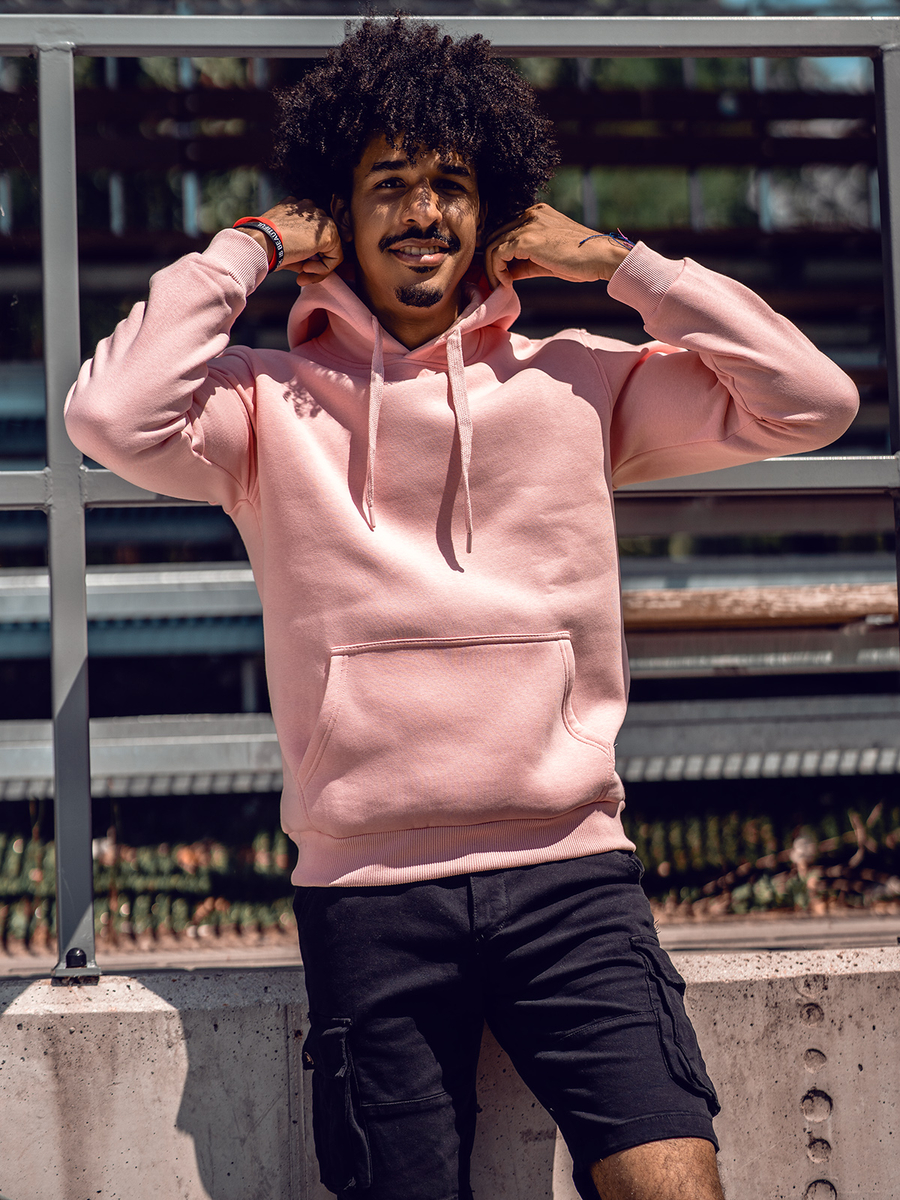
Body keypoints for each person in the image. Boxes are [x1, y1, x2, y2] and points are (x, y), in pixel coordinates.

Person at [65, 17, 858, 1200]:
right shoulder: (261, 408)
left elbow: (812, 402)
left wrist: (624, 266)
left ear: (494, 215)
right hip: (366, 896)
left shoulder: (577, 380)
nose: (423, 211)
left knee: (675, 1183)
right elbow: (108, 415)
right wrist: (249, 244)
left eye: (451, 183)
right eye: (388, 184)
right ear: (337, 219)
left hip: (572, 875)